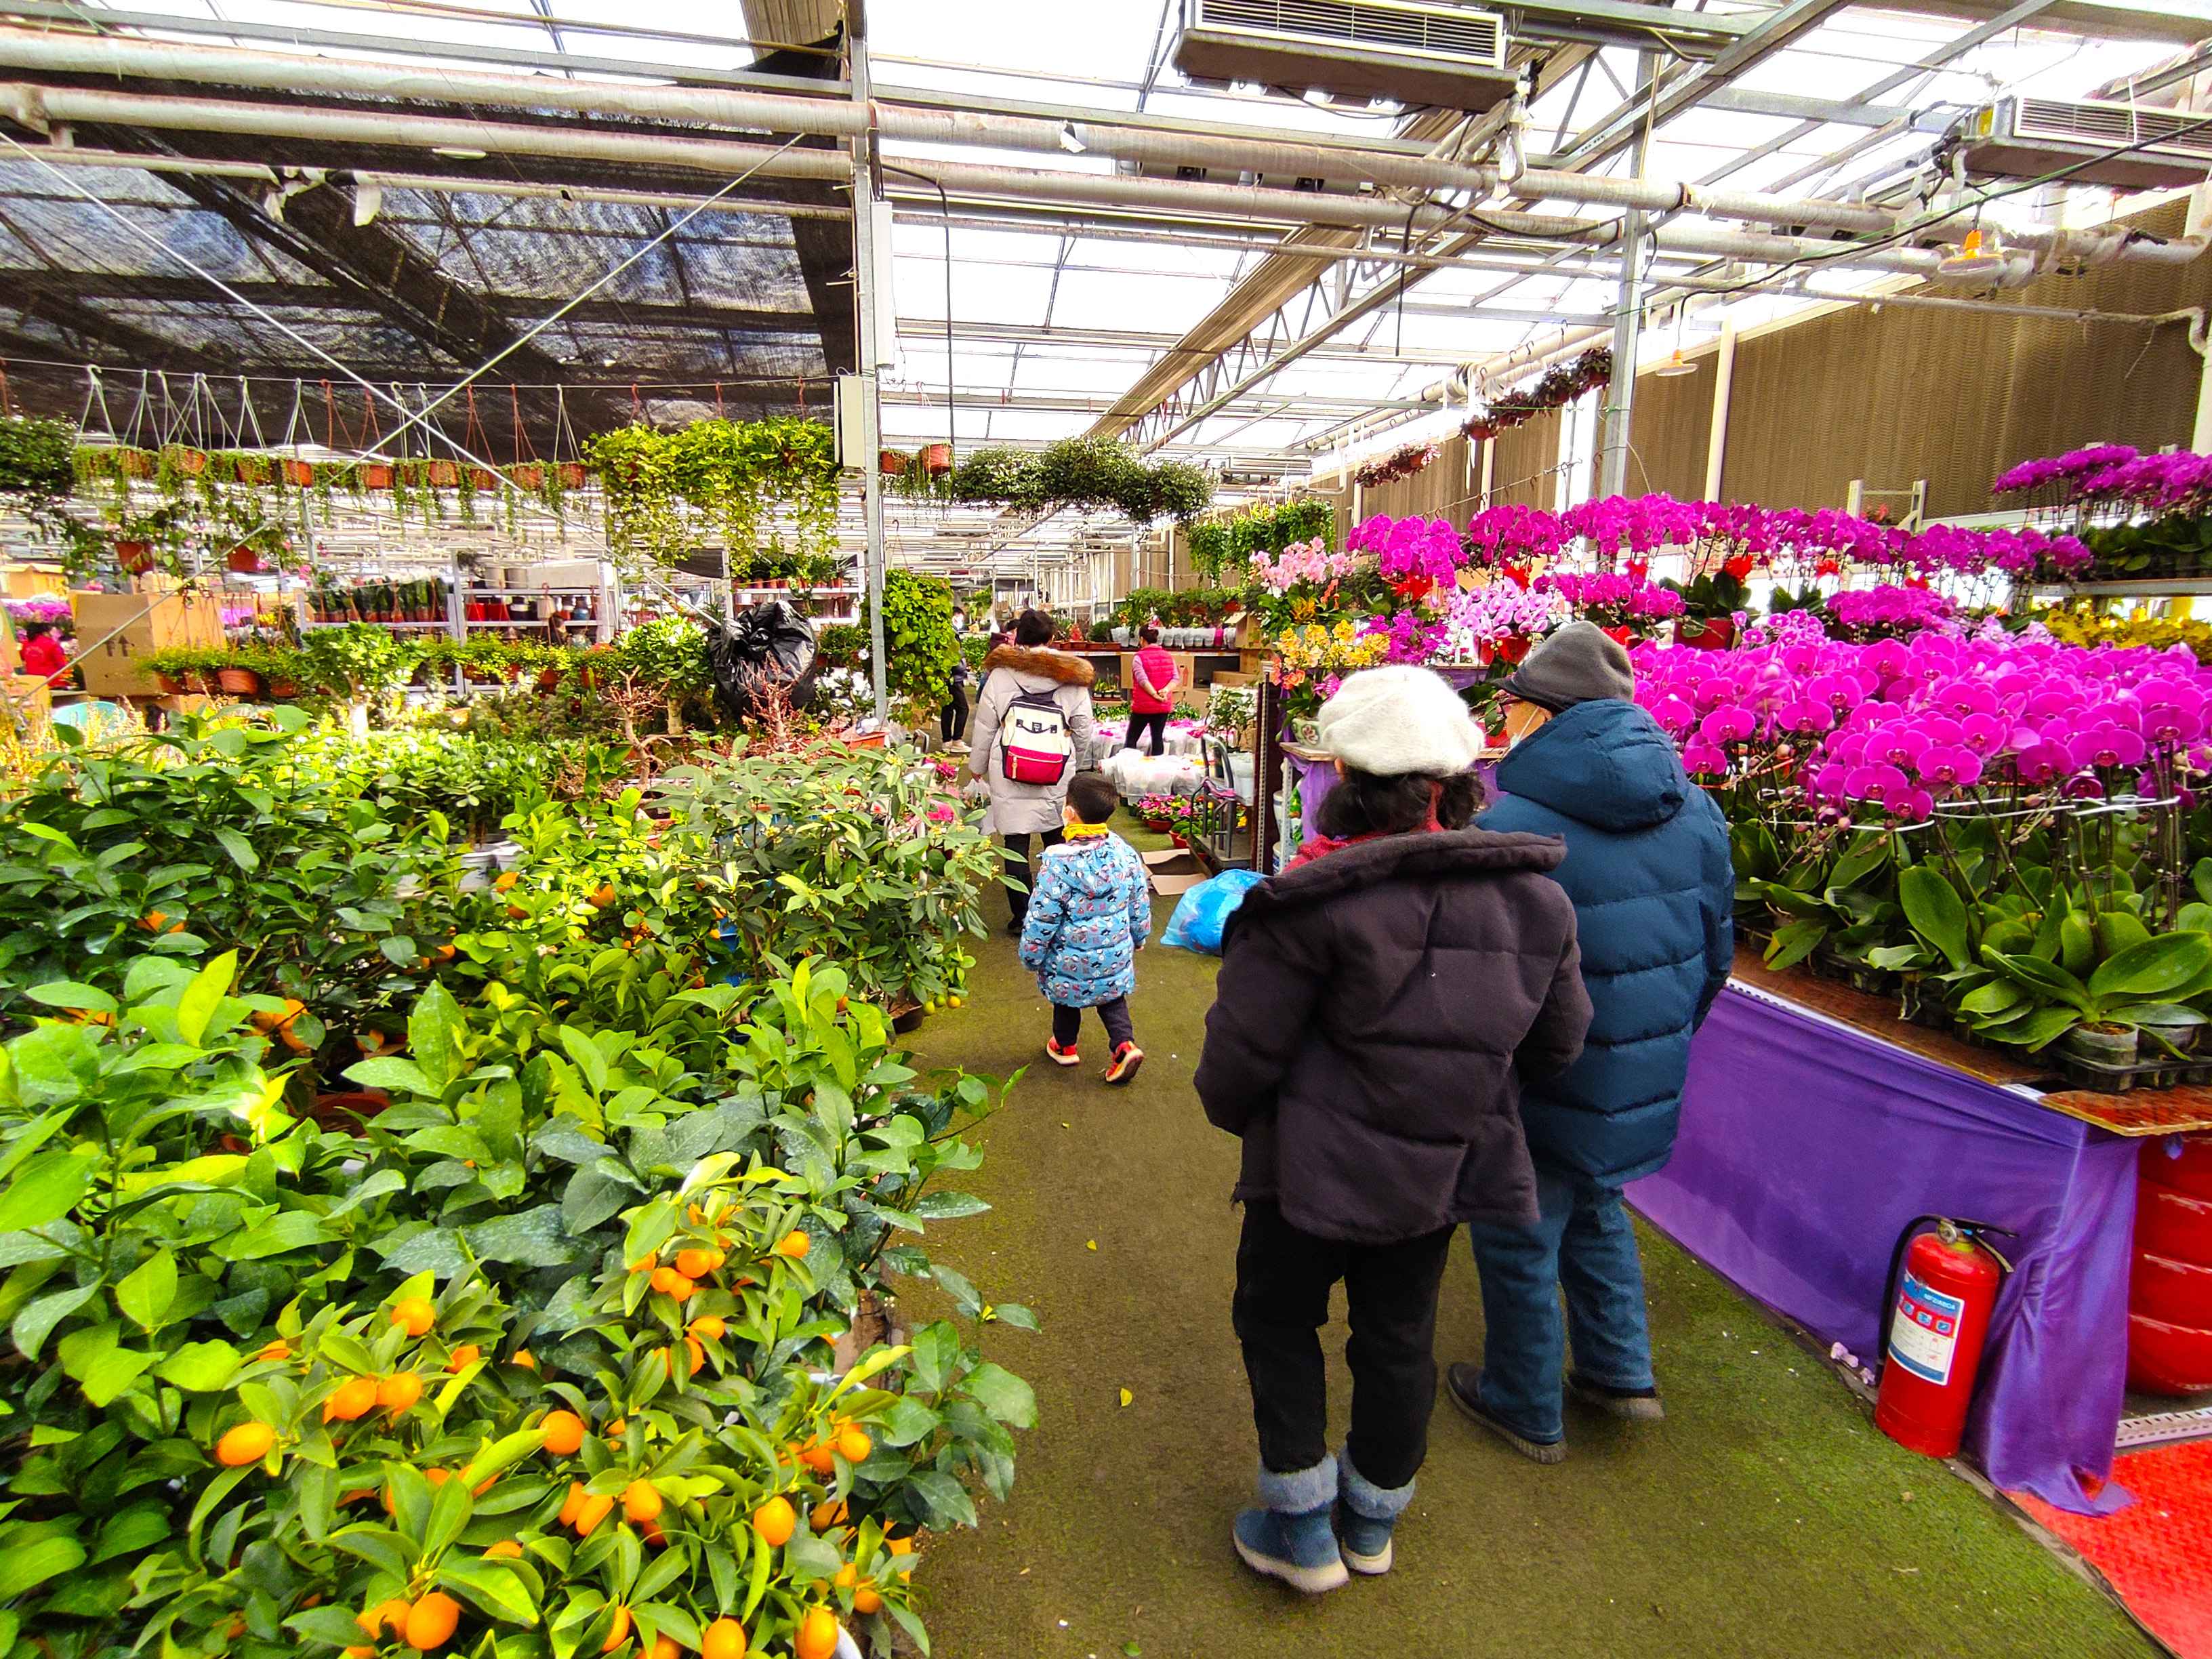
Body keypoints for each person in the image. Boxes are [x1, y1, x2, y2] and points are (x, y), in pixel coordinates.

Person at [1194, 664, 1591, 1595]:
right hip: (1440, 1173)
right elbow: (1557, 1045)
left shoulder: (1306, 905)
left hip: (1307, 1172)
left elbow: (1236, 1061)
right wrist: (1463, 1095)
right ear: (1457, 788)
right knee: (1398, 1336)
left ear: (1346, 785)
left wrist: (1246, 1116)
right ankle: (1371, 1523)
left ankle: (1299, 1529)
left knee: (1278, 1317)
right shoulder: (1539, 901)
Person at [1446, 620, 1734, 1463]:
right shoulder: (1698, 810)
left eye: (1515, 709)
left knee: (1517, 1226)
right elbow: (1718, 949)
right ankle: (1619, 1374)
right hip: (1641, 1061)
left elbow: (1477, 989)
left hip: (1536, 1076)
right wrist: (1661, 1035)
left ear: (1541, 717)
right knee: (1598, 1204)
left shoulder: (1506, 830)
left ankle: (1525, 1402)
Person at [966, 608, 1098, 935]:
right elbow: (1083, 728)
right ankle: (1059, 911)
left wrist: (977, 767)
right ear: (1052, 639)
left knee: (1016, 844)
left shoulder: (1001, 675)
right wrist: (1076, 764)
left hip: (1009, 769)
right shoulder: (1072, 677)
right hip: (1056, 770)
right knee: (1057, 840)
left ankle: (1023, 918)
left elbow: (984, 725)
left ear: (1017, 639)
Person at [1018, 770, 1150, 1084]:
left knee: (1065, 1000)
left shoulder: (1057, 865)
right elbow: (1139, 899)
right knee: (1112, 999)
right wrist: (1139, 935)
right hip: (1113, 954)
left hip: (1069, 960)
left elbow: (1042, 917)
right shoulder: (1124, 853)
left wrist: (1030, 955)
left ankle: (1065, 1046)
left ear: (1069, 813)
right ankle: (1123, 1046)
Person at [1122, 625, 1179, 757]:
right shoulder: (1168, 656)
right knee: (1157, 738)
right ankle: (1157, 771)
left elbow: (1143, 680)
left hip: (1143, 707)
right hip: (1163, 706)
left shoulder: (1139, 657)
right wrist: (1165, 691)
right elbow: (1175, 679)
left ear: (1142, 639)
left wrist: (1154, 694)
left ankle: (1129, 767)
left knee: (1132, 739)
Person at [17, 622, 68, 687]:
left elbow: (22, 657)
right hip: (51, 681)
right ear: (45, 633)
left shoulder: (26, 644)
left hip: (33, 681)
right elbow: (62, 664)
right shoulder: (51, 644)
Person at [941, 651, 970, 746]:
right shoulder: (954, 638)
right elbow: (957, 663)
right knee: (963, 709)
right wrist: (962, 668)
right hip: (954, 679)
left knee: (948, 708)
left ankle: (947, 741)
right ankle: (957, 740)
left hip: (949, 678)